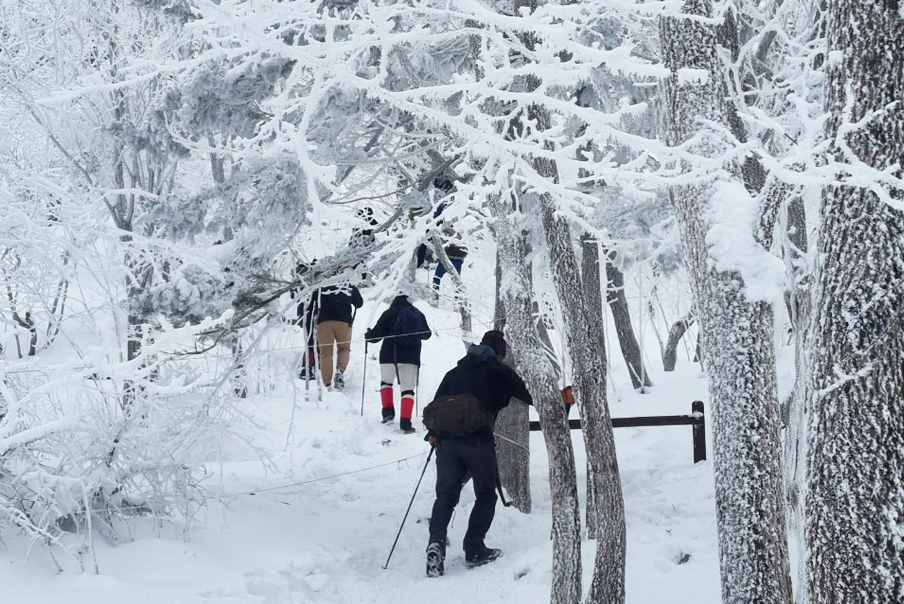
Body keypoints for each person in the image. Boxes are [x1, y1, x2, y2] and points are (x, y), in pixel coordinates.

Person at [424, 330, 533, 577]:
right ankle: (474, 549)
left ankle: (436, 544)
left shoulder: (454, 373)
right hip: (478, 443)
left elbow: (436, 406)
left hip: (447, 445)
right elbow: (531, 397)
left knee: (446, 495)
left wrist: (433, 433)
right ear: (500, 352)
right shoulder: (499, 372)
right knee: (485, 495)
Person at [364, 293, 431, 434]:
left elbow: (375, 336)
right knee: (407, 390)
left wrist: (368, 335)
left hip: (389, 355)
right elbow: (427, 334)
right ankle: (406, 423)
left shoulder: (389, 313)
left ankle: (388, 412)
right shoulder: (417, 314)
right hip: (411, 357)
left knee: (386, 383)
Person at [310, 283, 363, 390]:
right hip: (343, 321)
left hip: (324, 322)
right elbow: (359, 303)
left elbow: (311, 304)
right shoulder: (348, 284)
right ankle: (340, 371)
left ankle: (327, 384)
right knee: (344, 349)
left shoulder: (322, 284)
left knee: (325, 353)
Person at [429, 226, 467, 308]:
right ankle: (457, 304)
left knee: (437, 277)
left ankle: (434, 300)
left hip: (447, 259)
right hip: (458, 260)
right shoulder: (458, 234)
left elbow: (439, 246)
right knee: (457, 281)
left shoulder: (443, 232)